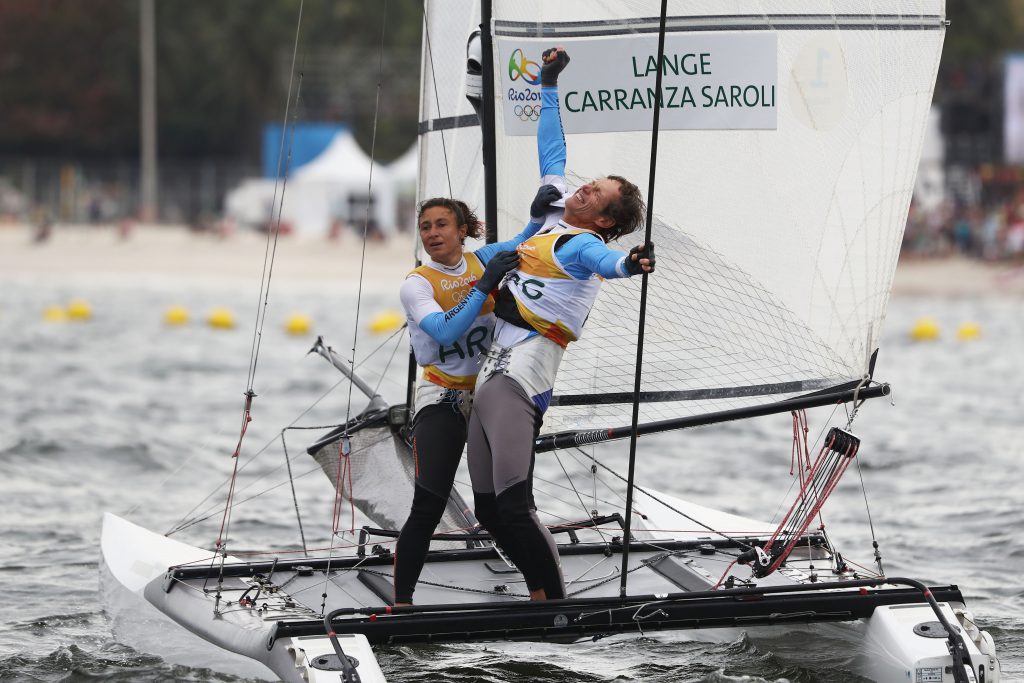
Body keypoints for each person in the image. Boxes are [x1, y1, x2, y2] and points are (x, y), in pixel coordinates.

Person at [467, 47, 655, 601]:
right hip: (490, 372)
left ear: (603, 219)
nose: (582, 187)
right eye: (588, 183)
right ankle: (536, 595)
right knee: (486, 507)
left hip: (520, 376)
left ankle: (553, 605)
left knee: (512, 502)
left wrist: (631, 264)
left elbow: (607, 267)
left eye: (594, 192)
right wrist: (548, 84)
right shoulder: (553, 215)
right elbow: (552, 144)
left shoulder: (583, 245)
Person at [393, 185, 562, 606]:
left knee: (502, 507)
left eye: (441, 225)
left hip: (491, 396)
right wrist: (483, 285)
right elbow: (444, 331)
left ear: (463, 230)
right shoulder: (417, 284)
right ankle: (402, 604)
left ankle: (542, 592)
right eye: (425, 227)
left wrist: (541, 212)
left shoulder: (482, 259)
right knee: (428, 504)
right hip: (443, 399)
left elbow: (532, 237)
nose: (431, 233)